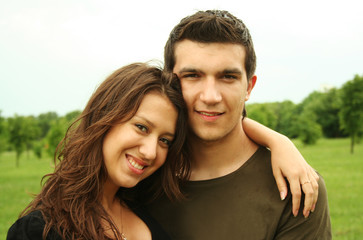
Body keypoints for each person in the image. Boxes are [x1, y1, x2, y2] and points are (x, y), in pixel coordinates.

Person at [145, 10, 332, 239]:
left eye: (228, 77)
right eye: (193, 75)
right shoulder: (142, 170)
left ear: (249, 87)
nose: (211, 96)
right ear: (169, 81)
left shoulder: (297, 187)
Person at [7, 62, 188, 240]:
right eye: (141, 127)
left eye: (164, 140)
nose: (151, 152)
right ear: (104, 118)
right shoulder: (40, 231)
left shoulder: (152, 212)